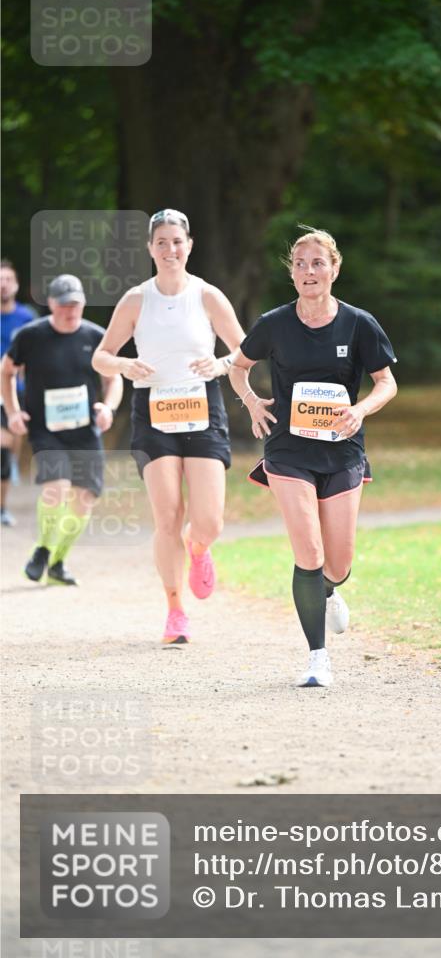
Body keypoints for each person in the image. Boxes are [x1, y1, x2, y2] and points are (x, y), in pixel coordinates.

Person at [229, 228, 398, 688]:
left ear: (334, 269)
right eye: (300, 263)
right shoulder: (274, 323)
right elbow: (238, 366)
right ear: (292, 273)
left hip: (342, 450)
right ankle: (317, 658)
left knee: (337, 564)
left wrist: (361, 409)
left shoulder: (360, 323)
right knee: (309, 552)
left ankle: (327, 591)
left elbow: (386, 382)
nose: (309, 271)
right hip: (288, 450)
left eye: (318, 262)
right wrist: (251, 401)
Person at [92, 208, 245, 644]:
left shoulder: (208, 296)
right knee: (166, 517)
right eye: (161, 242)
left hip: (202, 407)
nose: (170, 249)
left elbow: (245, 349)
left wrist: (218, 365)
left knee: (208, 520)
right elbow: (100, 355)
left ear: (189, 245)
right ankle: (175, 610)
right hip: (154, 410)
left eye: (177, 241)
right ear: (150, 249)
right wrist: (124, 364)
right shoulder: (136, 299)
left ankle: (199, 548)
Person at [0, 274, 122, 584]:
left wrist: (108, 407)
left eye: (77, 304)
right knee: (56, 488)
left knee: (84, 500)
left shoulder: (96, 337)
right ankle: (42, 549)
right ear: (51, 304)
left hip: (84, 430)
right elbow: (7, 371)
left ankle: (57, 563)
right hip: (46, 429)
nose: (71, 310)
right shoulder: (31, 336)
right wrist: (13, 411)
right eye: (65, 304)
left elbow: (114, 378)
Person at [0, 258, 36, 526]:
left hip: (17, 389)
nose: (3, 285)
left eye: (8, 280)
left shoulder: (26, 317)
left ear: (16, 284)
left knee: (13, 440)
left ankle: (10, 464)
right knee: (2, 445)